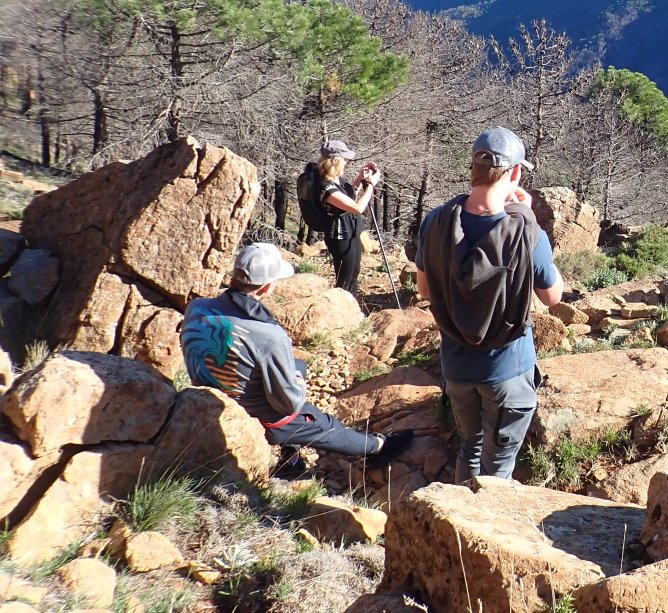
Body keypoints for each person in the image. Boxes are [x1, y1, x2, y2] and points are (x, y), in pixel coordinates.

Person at [415, 126, 564, 483]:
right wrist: (527, 218)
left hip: (456, 366)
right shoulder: (527, 232)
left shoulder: (437, 221)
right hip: (507, 369)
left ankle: (457, 516)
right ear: (515, 173)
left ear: (474, 169)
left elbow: (424, 291)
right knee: (498, 463)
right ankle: (482, 527)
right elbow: (552, 296)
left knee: (471, 445)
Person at [180, 242, 414, 468]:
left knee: (296, 365)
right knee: (321, 422)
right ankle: (377, 447)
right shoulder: (268, 335)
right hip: (255, 415)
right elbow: (289, 404)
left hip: (207, 394)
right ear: (266, 287)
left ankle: (291, 457)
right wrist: (299, 382)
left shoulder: (196, 307)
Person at [314, 140, 380, 295]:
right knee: (345, 277)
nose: (346, 162)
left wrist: (360, 179)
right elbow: (357, 208)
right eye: (344, 159)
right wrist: (370, 185)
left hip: (351, 232)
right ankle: (342, 311)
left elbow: (348, 196)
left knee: (353, 274)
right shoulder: (325, 186)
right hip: (340, 236)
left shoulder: (335, 180)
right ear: (335, 160)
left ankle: (353, 311)